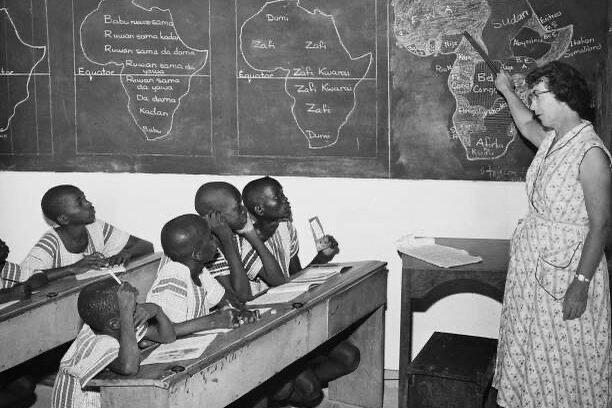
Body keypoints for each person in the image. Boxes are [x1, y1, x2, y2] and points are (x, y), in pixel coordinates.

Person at [493, 61, 611, 408]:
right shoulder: (554, 141)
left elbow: (601, 225)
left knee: (566, 364)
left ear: (563, 96)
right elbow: (525, 122)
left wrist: (581, 284)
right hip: (537, 274)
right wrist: (506, 90)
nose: (533, 105)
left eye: (537, 96)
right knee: (536, 355)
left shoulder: (590, 153)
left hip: (567, 276)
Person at [242, 176, 359, 408]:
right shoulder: (245, 240)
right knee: (311, 392)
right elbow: (278, 284)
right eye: (278, 197)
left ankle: (288, 383)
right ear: (259, 209)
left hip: (293, 313)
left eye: (284, 194)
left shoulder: (285, 227)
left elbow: (296, 278)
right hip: (268, 324)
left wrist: (322, 258)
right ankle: (276, 389)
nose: (286, 200)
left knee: (349, 358)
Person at [51, 279, 176, 408]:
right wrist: (127, 313)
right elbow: (129, 368)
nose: (140, 308)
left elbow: (168, 337)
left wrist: (157, 310)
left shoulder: (117, 327)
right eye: (133, 307)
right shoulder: (95, 341)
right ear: (115, 323)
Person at [20, 185, 154, 288]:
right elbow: (24, 280)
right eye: (80, 203)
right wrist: (72, 269)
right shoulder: (50, 242)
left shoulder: (96, 227)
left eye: (85, 198)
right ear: (64, 219)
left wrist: (126, 253)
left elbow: (146, 246)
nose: (89, 203)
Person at [146, 214, 259, 337]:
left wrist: (241, 312)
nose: (215, 241)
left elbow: (227, 300)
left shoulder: (200, 271)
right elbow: (167, 332)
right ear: (198, 254)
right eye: (210, 238)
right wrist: (213, 321)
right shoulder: (174, 275)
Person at [194, 181, 286, 300]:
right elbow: (242, 297)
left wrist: (251, 233)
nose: (244, 210)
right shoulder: (206, 249)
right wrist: (227, 240)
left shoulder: (237, 237)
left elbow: (278, 280)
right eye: (237, 207)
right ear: (215, 216)